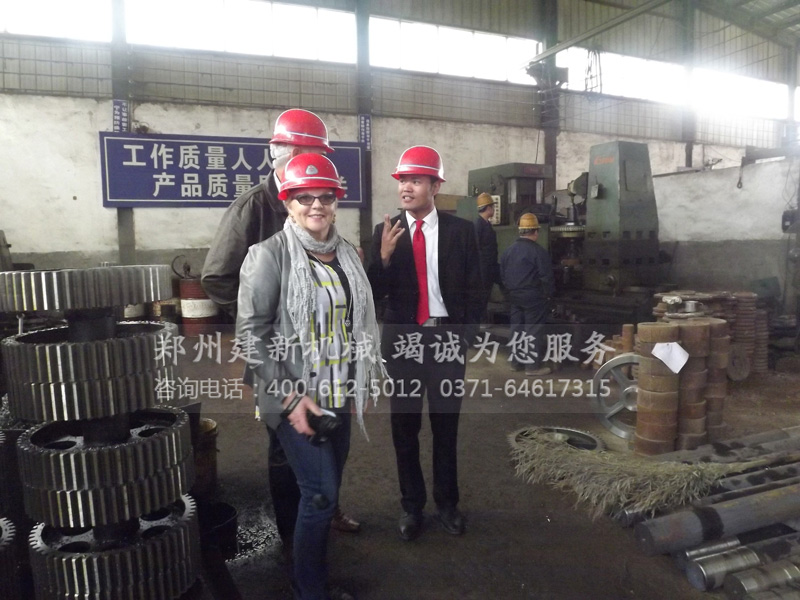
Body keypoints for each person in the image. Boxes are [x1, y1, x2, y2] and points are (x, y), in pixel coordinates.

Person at [201, 109, 360, 561]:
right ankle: (293, 539)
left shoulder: (319, 206)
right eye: (306, 152)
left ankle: (323, 510)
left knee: (328, 438)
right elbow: (217, 277)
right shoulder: (254, 207)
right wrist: (264, 317)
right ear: (280, 152)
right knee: (284, 446)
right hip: (278, 356)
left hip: (325, 358)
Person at [237, 153, 385, 600]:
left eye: (326, 196)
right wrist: (289, 397)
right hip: (296, 398)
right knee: (319, 494)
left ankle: (310, 576)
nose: (316, 205)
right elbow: (250, 335)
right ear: (288, 202)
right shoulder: (268, 255)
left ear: (336, 202)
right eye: (304, 197)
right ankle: (309, 589)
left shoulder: (347, 255)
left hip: (338, 390)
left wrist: (359, 377)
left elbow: (354, 322)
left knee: (326, 493)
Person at [367, 145, 483, 541]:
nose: (406, 188)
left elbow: (476, 288)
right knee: (405, 428)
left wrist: (465, 337)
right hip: (403, 343)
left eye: (416, 181)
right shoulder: (385, 232)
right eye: (403, 181)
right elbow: (371, 294)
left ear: (435, 186)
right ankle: (411, 506)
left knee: (445, 428)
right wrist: (383, 258)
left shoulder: (461, 232)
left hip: (446, 339)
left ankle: (447, 504)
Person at [499, 212, 555, 376]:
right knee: (533, 330)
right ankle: (532, 367)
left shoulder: (508, 251)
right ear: (536, 232)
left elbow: (502, 275)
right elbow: (546, 277)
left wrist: (509, 293)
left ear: (520, 231)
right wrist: (548, 296)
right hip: (533, 298)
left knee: (517, 329)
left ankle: (516, 363)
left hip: (514, 296)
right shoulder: (539, 252)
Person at [473, 192, 500, 324]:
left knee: (486, 293)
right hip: (483, 267)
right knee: (482, 295)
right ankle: (480, 321)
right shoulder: (479, 225)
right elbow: (476, 248)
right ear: (488, 208)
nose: (493, 210)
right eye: (492, 207)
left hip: (490, 266)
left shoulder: (486, 224)